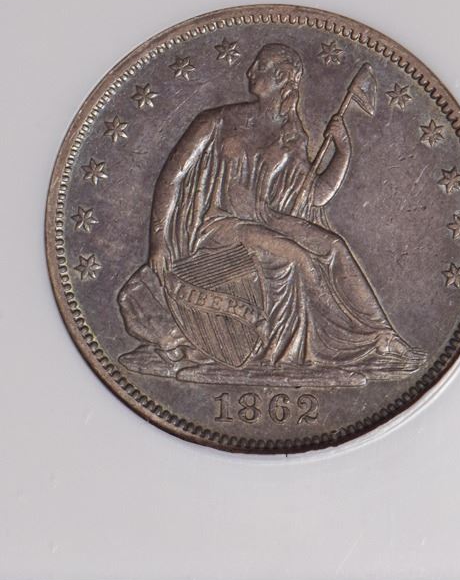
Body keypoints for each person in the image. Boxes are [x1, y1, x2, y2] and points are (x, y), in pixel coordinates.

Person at [118, 43, 424, 377]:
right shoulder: (217, 120)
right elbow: (171, 178)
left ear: (281, 76)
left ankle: (383, 336)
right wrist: (158, 242)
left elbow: (316, 195)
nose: (250, 71)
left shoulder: (291, 134)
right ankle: (353, 344)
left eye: (259, 66)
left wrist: (342, 152)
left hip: (266, 218)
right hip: (219, 225)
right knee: (299, 257)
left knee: (334, 246)